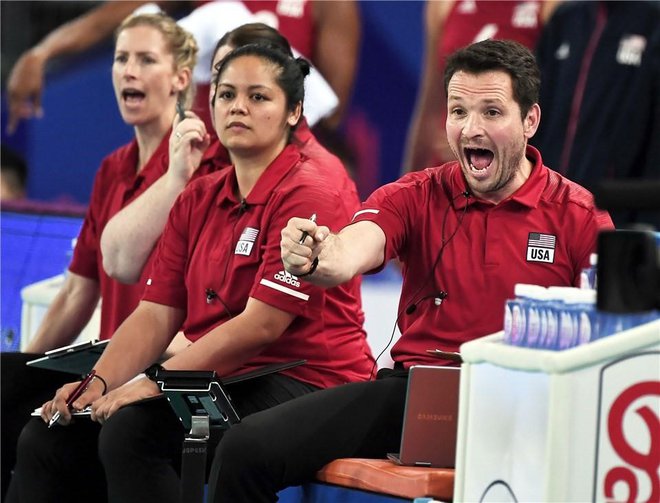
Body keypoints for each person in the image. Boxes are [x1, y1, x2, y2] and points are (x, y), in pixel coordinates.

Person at [204, 39, 615, 502]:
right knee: (245, 448)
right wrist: (319, 255)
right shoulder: (415, 194)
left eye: (492, 113)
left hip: (528, 404)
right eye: (458, 111)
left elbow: (608, 339)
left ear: (531, 121)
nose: (470, 128)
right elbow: (351, 249)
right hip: (418, 395)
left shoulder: (579, 215)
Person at [8, 43, 374, 503]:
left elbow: (261, 325)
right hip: (224, 377)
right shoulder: (199, 196)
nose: (238, 106)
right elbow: (156, 314)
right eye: (226, 95)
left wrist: (150, 383)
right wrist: (97, 383)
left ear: (294, 111)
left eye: (258, 97)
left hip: (304, 381)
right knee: (50, 436)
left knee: (135, 431)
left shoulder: (308, 193)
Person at [0, 12, 201, 501]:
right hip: (106, 357)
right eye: (121, 59)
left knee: (42, 437)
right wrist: (30, 365)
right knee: (5, 386)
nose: (129, 71)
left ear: (180, 78)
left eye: (146, 59)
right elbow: (77, 288)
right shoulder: (113, 169)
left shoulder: (204, 166)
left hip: (163, 361)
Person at [100, 22, 361, 285]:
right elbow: (119, 263)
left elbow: (262, 319)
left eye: (255, 93)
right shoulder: (196, 159)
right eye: (221, 82)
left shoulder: (317, 179)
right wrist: (175, 181)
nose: (237, 105)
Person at [5, 0, 360, 134]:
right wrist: (41, 53)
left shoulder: (331, 4)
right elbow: (112, 17)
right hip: (197, 161)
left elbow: (329, 111)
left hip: (274, 166)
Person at [532, 0, 660, 227]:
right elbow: (536, 108)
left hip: (622, 211)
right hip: (550, 206)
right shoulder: (566, 18)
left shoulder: (653, 19)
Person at [402, 0, 559, 173]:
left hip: (512, 179)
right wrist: (406, 187)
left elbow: (557, 115)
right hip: (448, 176)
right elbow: (431, 106)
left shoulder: (552, 6)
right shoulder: (443, 4)